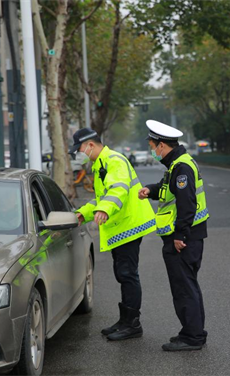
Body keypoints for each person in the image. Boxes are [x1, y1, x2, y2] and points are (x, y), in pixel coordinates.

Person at [71, 128, 156, 341]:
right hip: (121, 226)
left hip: (129, 225)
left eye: (80, 149)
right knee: (123, 274)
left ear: (90, 145)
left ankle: (133, 324)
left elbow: (118, 190)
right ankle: (125, 321)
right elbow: (102, 197)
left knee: (128, 274)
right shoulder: (100, 163)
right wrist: (84, 213)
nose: (78, 154)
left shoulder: (114, 161)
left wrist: (104, 210)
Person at [138, 120, 209, 352]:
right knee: (188, 286)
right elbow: (168, 189)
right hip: (188, 236)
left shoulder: (181, 167)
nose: (151, 149)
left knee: (183, 288)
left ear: (161, 146)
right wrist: (151, 189)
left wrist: (180, 235)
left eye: (152, 145)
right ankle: (194, 332)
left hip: (183, 239)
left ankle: (192, 337)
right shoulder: (177, 165)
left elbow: (187, 203)